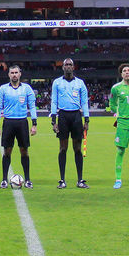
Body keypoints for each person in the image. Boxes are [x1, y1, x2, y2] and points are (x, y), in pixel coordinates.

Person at [0, 64, 37, 189]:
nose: (14, 75)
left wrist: (34, 124)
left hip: (22, 122)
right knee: (7, 151)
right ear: (9, 75)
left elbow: (32, 107)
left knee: (24, 151)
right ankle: (4, 179)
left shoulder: (27, 88)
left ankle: (28, 179)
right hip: (8, 122)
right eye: (12, 73)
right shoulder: (3, 89)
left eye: (16, 72)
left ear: (20, 74)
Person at [50, 58, 90, 189]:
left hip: (76, 116)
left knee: (77, 149)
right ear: (62, 67)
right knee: (63, 148)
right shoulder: (57, 82)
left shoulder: (80, 83)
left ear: (74, 67)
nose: (68, 67)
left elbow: (84, 102)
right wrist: (53, 121)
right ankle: (62, 179)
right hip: (63, 116)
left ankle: (80, 180)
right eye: (65, 65)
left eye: (70, 65)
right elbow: (54, 101)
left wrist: (87, 120)